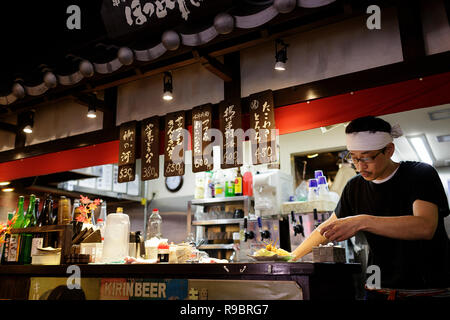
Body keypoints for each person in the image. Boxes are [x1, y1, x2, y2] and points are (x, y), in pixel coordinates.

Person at [291, 116, 450, 300]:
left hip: (426, 290)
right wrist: (291, 257)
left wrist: (362, 221)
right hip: (377, 289)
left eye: (367, 158)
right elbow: (327, 229)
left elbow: (424, 226)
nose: (360, 167)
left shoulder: (419, 174)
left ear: (389, 150)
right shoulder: (354, 187)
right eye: (355, 158)